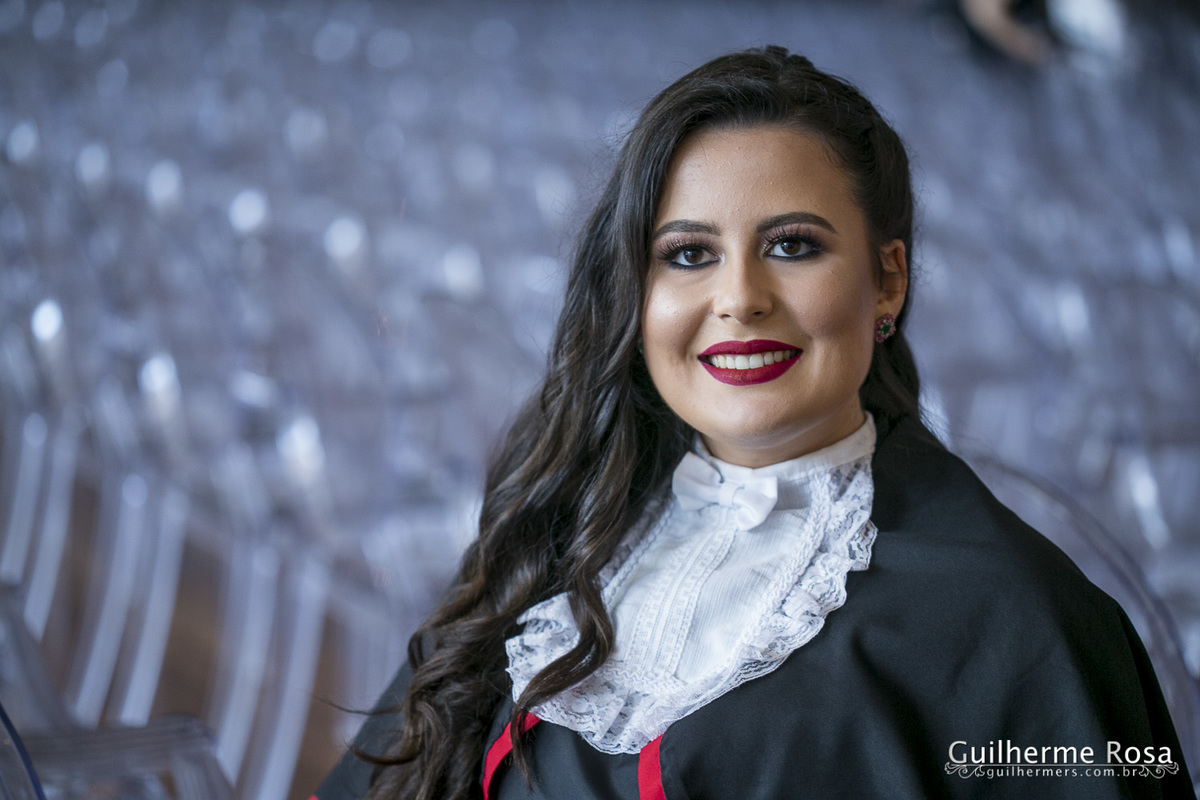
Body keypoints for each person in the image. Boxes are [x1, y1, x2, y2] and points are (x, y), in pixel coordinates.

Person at [315, 46, 1195, 800]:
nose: (739, 298)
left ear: (887, 280)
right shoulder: (568, 525)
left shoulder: (1018, 616)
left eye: (792, 245)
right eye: (688, 255)